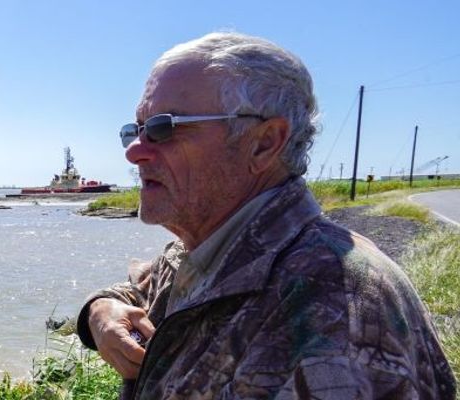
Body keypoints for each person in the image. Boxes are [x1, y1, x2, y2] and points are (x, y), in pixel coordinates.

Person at [75, 32, 455, 399]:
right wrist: (100, 312)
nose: (134, 151)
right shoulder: (206, 249)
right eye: (136, 129)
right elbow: (144, 287)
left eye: (164, 128)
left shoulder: (335, 306)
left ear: (264, 143)